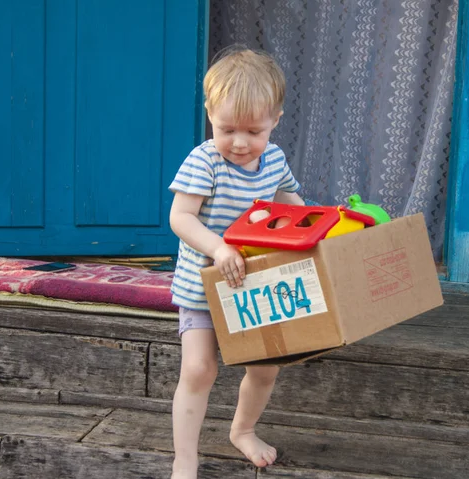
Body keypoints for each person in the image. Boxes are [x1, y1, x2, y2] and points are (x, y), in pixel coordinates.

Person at [168, 46, 305, 479]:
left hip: (253, 286)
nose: (241, 142)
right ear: (209, 114)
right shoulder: (204, 160)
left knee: (265, 368)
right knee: (199, 367)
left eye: (254, 130)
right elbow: (180, 217)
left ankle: (242, 430)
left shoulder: (275, 159)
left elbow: (292, 204)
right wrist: (219, 247)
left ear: (276, 121)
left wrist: (314, 231)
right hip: (204, 284)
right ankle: (184, 458)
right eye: (227, 128)